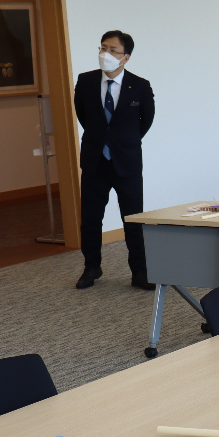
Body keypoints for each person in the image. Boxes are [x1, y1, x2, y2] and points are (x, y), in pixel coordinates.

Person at [74, 30, 156, 290]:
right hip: (95, 161)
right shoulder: (85, 81)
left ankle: (139, 271)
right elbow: (83, 116)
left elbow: (146, 121)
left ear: (125, 57)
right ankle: (91, 267)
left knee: (133, 219)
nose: (105, 54)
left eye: (112, 50)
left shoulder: (140, 86)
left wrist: (123, 141)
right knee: (90, 219)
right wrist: (103, 139)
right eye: (102, 48)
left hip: (126, 162)